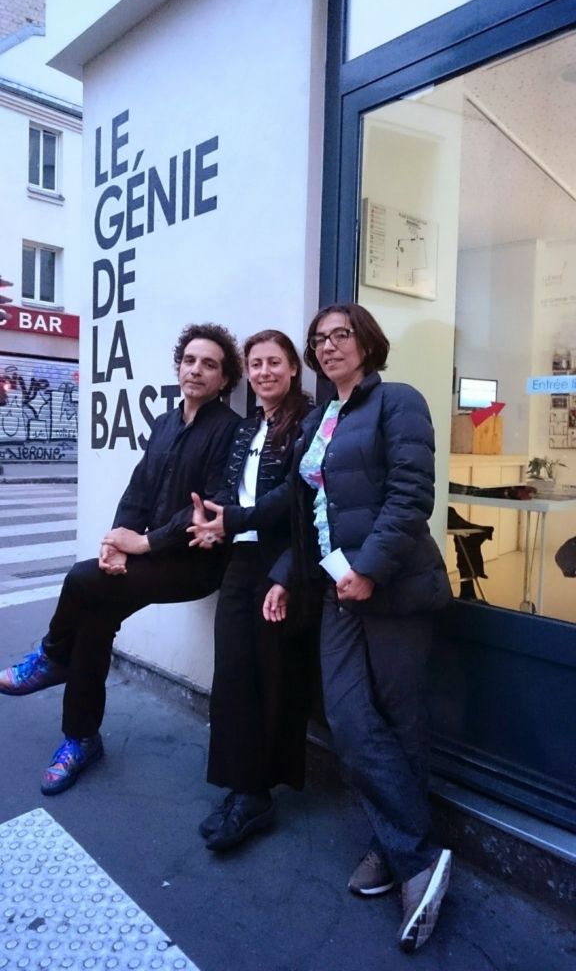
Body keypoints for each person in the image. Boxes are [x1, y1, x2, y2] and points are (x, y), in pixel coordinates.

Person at [262, 303, 453, 954]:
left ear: (366, 342)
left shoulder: (398, 401)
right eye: (319, 339)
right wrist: (286, 575)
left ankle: (398, 850)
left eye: (340, 334)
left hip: (392, 585)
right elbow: (308, 511)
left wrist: (370, 568)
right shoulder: (321, 419)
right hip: (336, 588)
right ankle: (415, 851)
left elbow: (411, 494)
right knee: (347, 717)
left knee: (401, 718)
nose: (328, 346)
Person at [0, 323, 243, 796]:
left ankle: (52, 656)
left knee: (80, 579)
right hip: (149, 558)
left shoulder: (228, 431)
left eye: (209, 364)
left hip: (194, 564)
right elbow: (138, 492)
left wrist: (144, 544)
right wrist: (115, 542)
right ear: (179, 366)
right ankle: (81, 739)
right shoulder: (166, 423)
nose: (196, 370)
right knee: (94, 618)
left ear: (225, 378)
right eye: (190, 360)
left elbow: (210, 509)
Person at [188, 330, 313, 851]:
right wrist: (209, 520)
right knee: (233, 676)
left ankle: (258, 793)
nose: (264, 372)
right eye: (256, 364)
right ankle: (242, 786)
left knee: (273, 678)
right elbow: (229, 489)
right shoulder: (247, 426)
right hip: (240, 559)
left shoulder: (309, 421)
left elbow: (297, 500)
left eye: (274, 363)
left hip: (280, 561)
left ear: (293, 368)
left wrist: (284, 572)